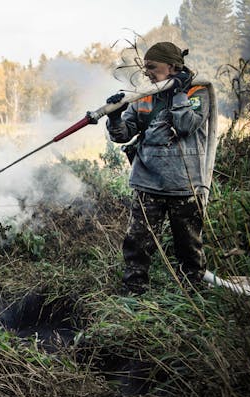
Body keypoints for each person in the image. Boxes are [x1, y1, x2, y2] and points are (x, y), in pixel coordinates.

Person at [105, 42, 210, 294]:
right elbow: (122, 135)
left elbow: (186, 125)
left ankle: (193, 296)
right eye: (146, 68)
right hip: (147, 183)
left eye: (152, 67)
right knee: (137, 244)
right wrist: (115, 116)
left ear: (172, 67)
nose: (147, 73)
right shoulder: (145, 94)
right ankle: (134, 292)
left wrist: (179, 93)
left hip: (184, 185)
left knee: (188, 247)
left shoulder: (198, 92)